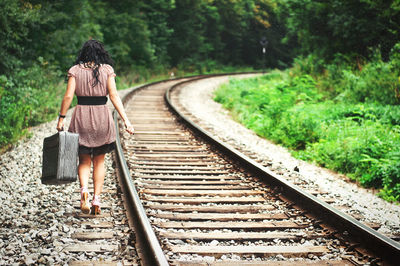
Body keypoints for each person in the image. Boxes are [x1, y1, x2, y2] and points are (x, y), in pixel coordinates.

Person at [57, 40, 134, 215]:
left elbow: (68, 96)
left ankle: (84, 190)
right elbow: (114, 96)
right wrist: (126, 120)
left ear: (83, 53)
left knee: (84, 160)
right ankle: (96, 199)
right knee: (99, 161)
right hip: (102, 117)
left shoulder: (75, 71)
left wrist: (61, 118)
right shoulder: (107, 70)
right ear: (101, 53)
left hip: (81, 116)